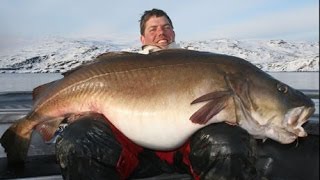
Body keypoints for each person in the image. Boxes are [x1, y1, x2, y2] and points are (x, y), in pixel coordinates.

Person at [55, 9, 259, 180]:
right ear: (142, 38)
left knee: (229, 142)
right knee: (78, 139)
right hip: (130, 149)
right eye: (153, 29)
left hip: (188, 148)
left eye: (166, 27)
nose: (161, 32)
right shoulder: (120, 68)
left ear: (174, 33)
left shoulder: (199, 64)